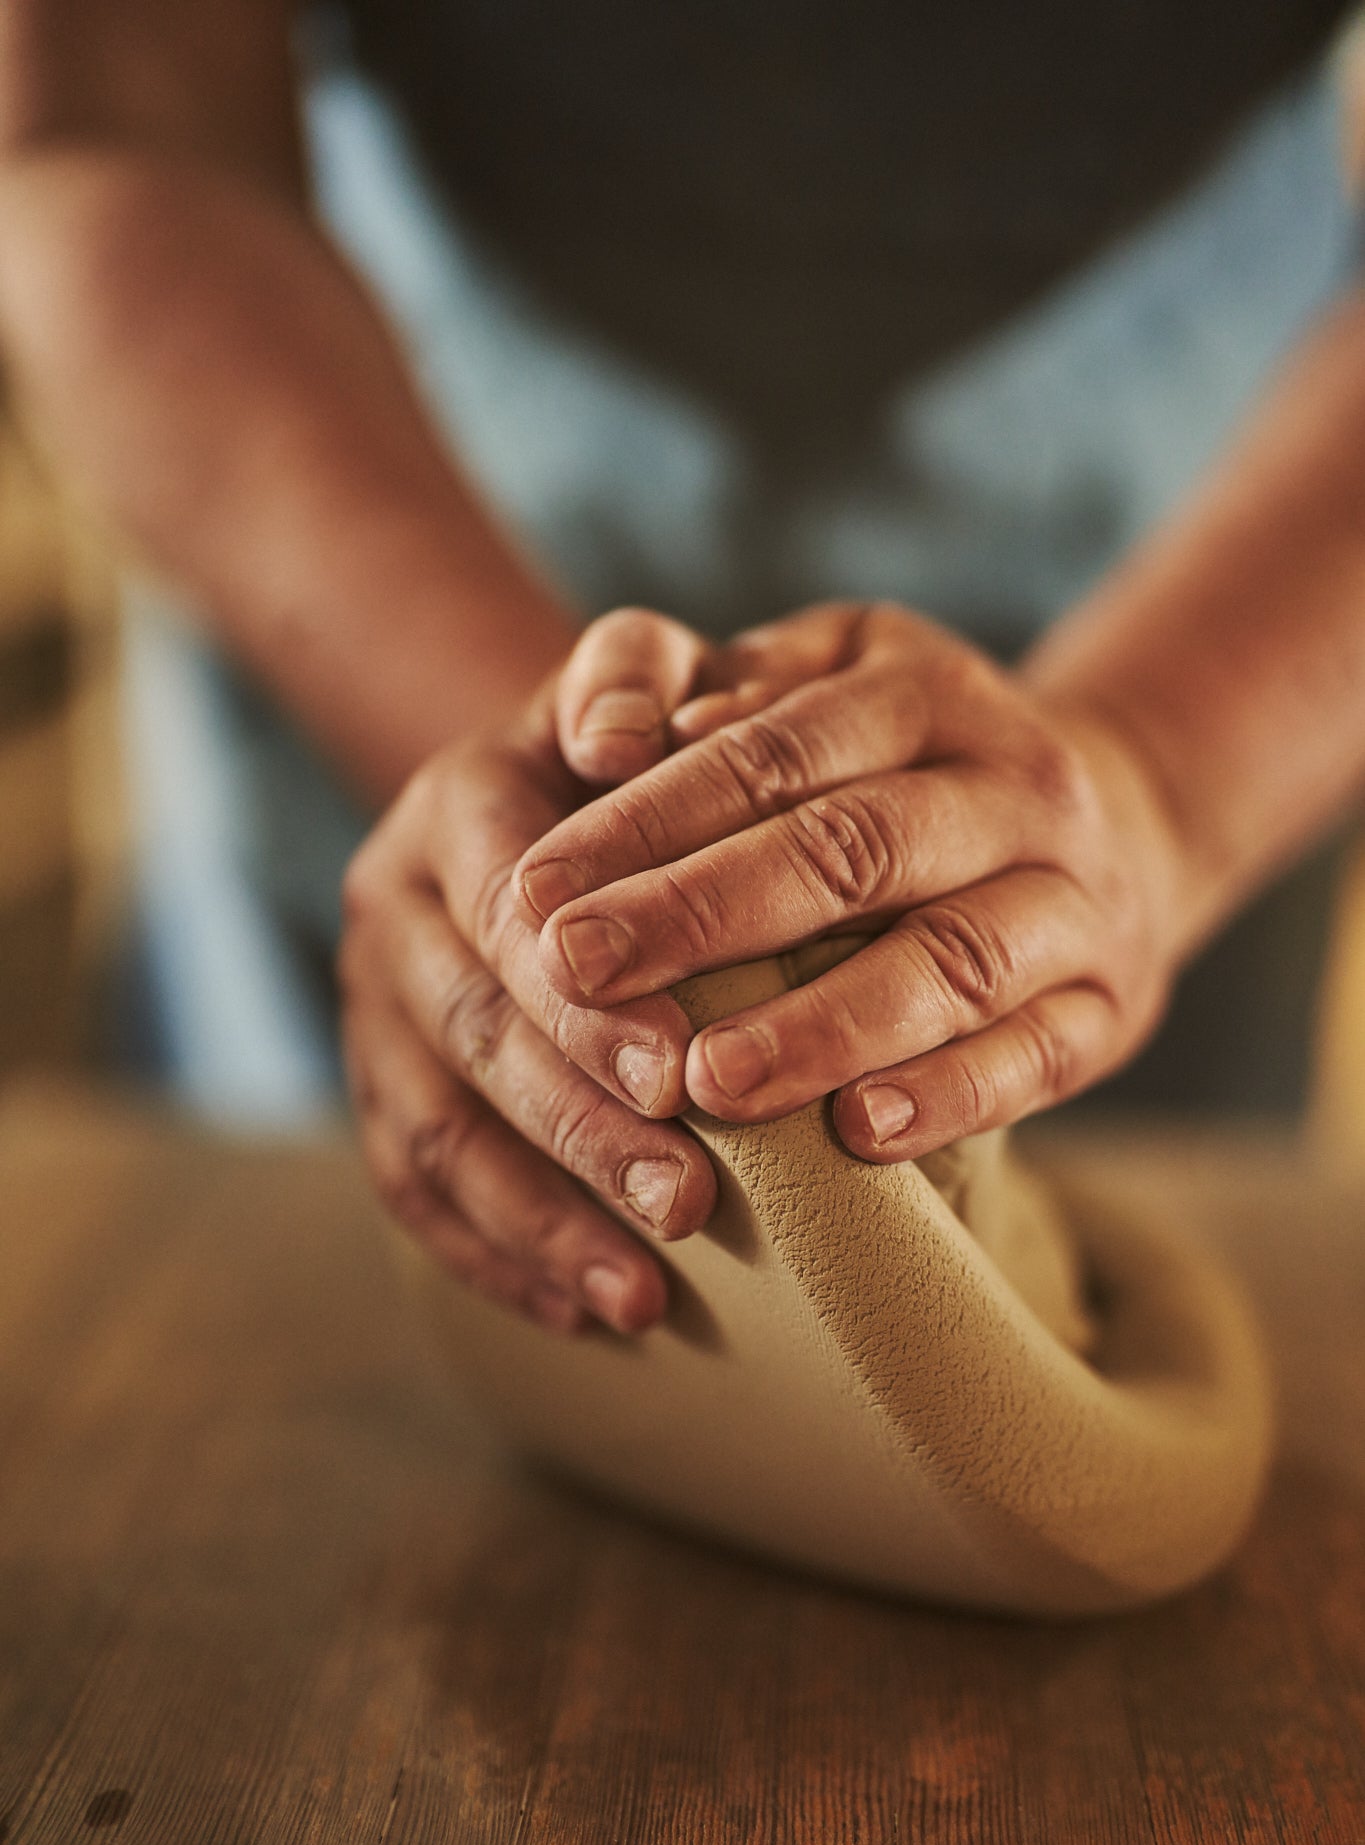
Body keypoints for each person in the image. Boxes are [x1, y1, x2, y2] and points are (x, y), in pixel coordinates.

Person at [2, 1, 1364, 1336]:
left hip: (1218, 583)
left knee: (1074, 1310)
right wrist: (539, 853)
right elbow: (120, 125)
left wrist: (1155, 774)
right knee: (344, 1321)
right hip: (369, 525)